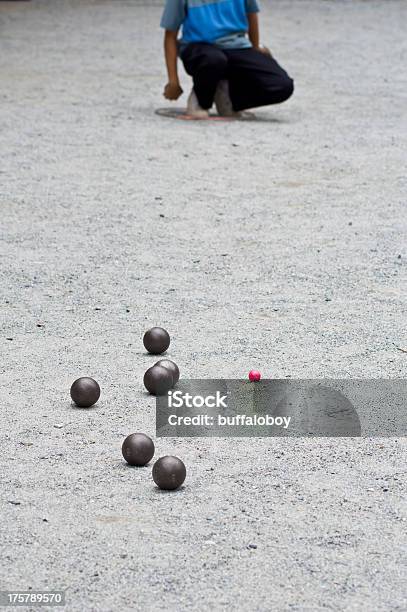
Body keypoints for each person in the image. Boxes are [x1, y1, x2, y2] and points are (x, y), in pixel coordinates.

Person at [160, 0, 294, 118]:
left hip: (236, 46)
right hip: (198, 48)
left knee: (282, 85)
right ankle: (201, 101)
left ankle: (230, 97)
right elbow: (170, 36)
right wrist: (173, 81)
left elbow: (251, 15)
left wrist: (255, 48)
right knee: (214, 60)